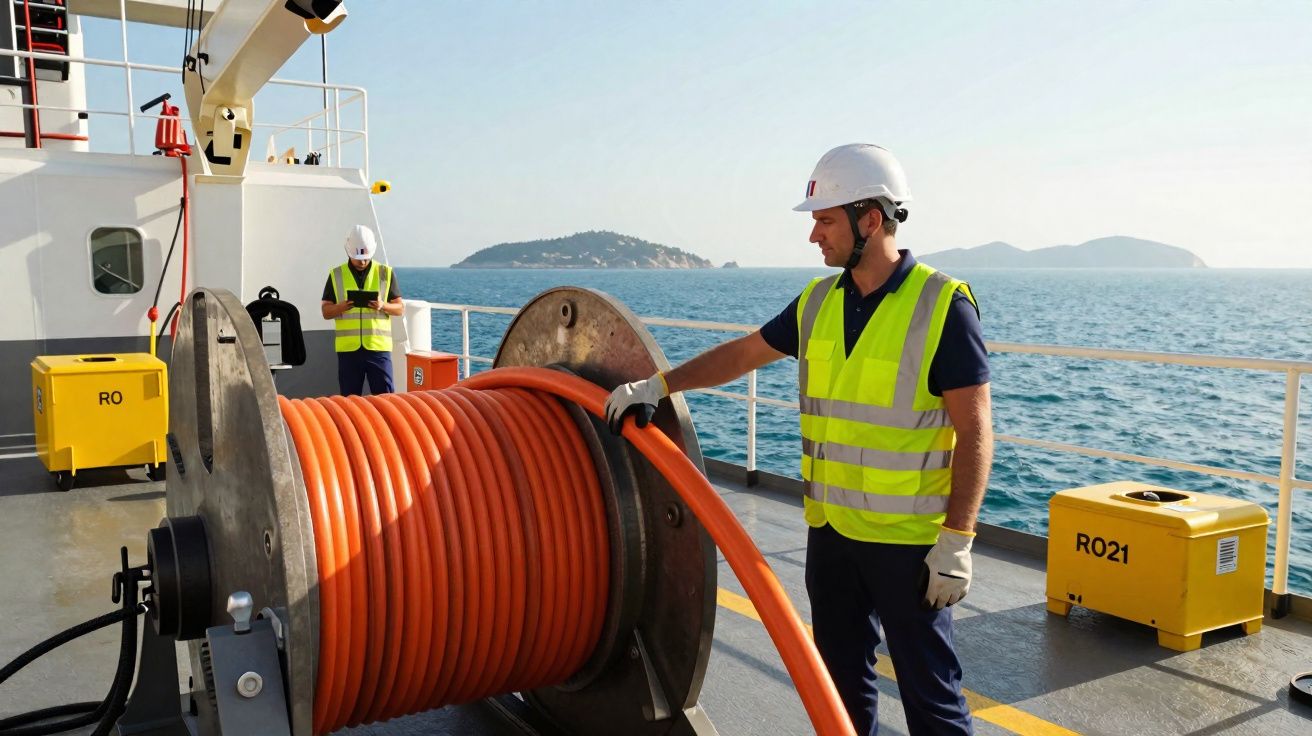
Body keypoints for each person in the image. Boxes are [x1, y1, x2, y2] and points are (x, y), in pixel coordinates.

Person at [604, 144, 993, 736]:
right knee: (837, 691)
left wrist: (957, 541)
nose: (814, 236)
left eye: (824, 219)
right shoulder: (818, 301)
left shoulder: (942, 306)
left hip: (908, 547)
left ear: (870, 219)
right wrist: (658, 385)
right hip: (832, 535)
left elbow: (975, 431)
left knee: (931, 699)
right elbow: (742, 354)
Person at [321, 224, 403, 395]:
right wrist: (341, 307)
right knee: (350, 403)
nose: (363, 262)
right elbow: (326, 312)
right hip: (349, 352)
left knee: (385, 400)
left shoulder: (385, 273)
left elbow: (400, 309)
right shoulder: (336, 275)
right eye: (358, 258)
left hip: (378, 349)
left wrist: (383, 306)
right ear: (348, 252)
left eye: (366, 258)